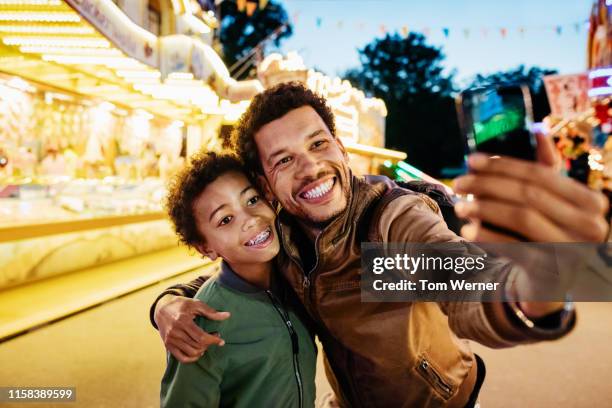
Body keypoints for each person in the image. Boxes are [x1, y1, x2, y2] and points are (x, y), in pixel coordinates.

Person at [151, 83, 609, 407]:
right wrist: (166, 305)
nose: (311, 167)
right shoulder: (283, 236)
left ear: (341, 148)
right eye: (285, 160)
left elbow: (466, 289)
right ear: (266, 184)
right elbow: (226, 278)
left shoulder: (388, 224)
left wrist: (539, 285)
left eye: (319, 143)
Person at [159, 151, 316, 407]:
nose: (251, 219)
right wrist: (165, 303)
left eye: (252, 199)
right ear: (205, 248)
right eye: (226, 219)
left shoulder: (297, 279)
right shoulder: (200, 326)